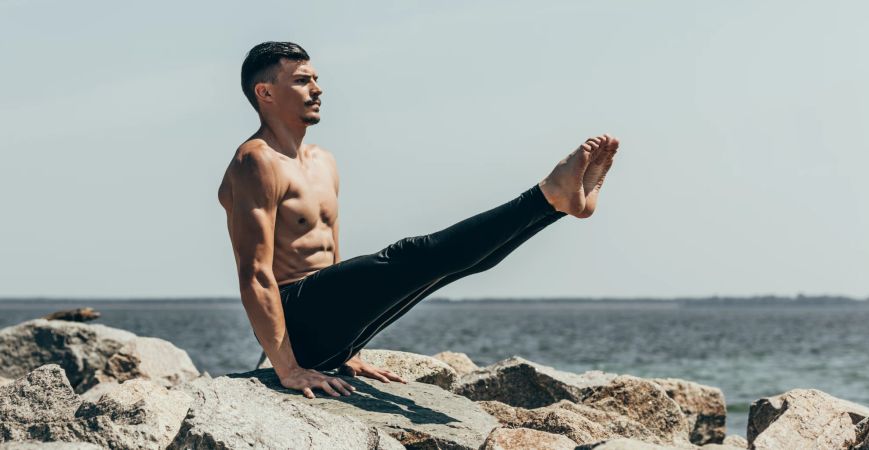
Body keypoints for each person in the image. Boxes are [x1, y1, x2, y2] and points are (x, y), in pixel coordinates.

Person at [217, 41, 621, 399]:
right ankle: (546, 195)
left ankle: (555, 206)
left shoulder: (324, 162)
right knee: (412, 255)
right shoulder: (256, 161)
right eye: (303, 80)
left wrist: (350, 351)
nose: (318, 89)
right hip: (294, 323)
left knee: (452, 267)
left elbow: (333, 265)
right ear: (265, 92)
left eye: (317, 79)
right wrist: (287, 368)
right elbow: (255, 273)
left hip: (331, 330)